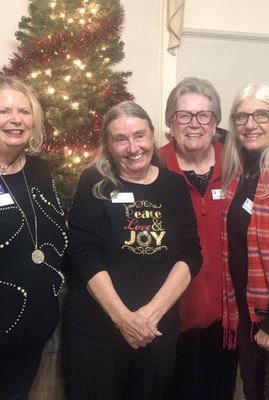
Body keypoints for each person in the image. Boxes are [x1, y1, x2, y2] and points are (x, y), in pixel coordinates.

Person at [62, 101, 201, 400]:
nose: (132, 146)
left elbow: (190, 254)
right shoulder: (94, 183)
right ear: (108, 145)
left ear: (152, 136)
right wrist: (124, 319)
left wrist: (150, 316)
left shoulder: (174, 186)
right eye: (121, 139)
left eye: (139, 135)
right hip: (98, 332)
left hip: (156, 331)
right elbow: (84, 253)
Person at [160, 77, 238, 400]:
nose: (194, 124)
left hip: (226, 318)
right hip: (169, 316)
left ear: (215, 121)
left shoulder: (237, 163)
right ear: (170, 121)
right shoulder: (154, 166)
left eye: (204, 115)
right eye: (184, 115)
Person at [222, 82, 269, 400]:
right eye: (241, 117)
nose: (250, 124)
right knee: (252, 390)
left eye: (261, 115)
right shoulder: (243, 174)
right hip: (247, 312)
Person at [0, 76, 67, 399]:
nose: (16, 119)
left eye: (24, 111)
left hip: (30, 333)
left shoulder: (40, 171)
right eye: (4, 111)